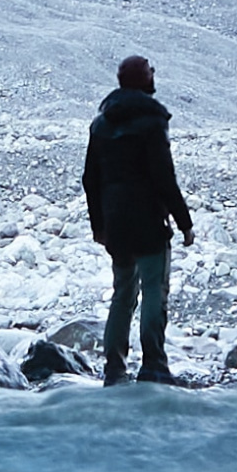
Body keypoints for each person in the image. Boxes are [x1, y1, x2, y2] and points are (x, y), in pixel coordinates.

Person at [80, 53, 197, 385]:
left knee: (123, 293)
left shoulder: (100, 124)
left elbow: (90, 178)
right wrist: (184, 221)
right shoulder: (152, 122)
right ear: (144, 79)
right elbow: (163, 177)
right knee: (154, 291)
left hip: (116, 221)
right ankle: (153, 365)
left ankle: (114, 367)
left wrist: (99, 225)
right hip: (147, 221)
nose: (154, 75)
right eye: (150, 72)